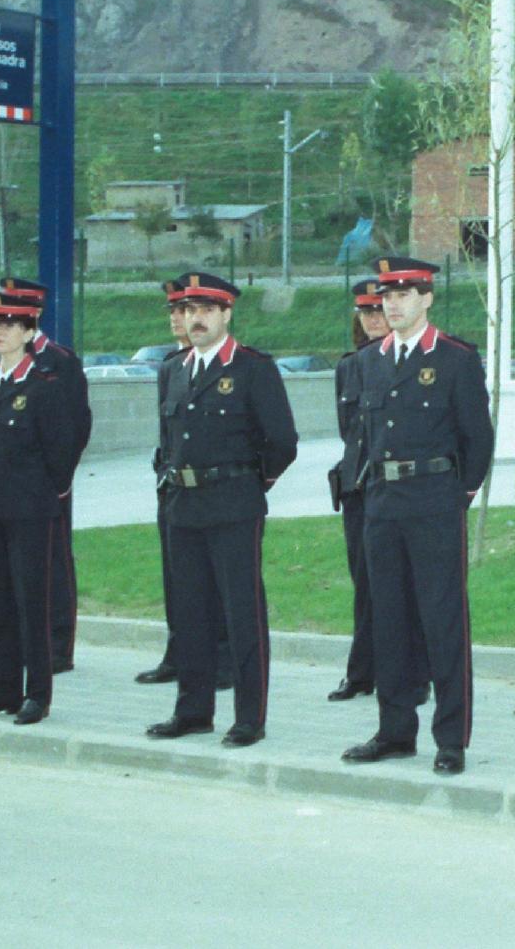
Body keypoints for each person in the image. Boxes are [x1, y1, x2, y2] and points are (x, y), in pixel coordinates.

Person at [342, 256, 494, 777]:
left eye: (405, 294)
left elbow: (479, 438)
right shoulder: (370, 361)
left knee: (442, 621)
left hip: (433, 499)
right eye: (388, 295)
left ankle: (450, 738)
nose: (393, 303)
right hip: (383, 502)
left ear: (427, 299)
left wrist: (459, 495)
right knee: (388, 620)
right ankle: (394, 730)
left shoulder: (454, 358)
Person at [146, 272, 297, 748]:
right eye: (189, 311)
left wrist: (251, 483)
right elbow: (168, 441)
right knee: (190, 613)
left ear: (226, 314)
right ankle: (192, 710)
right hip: (183, 504)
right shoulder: (172, 368)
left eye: (206, 310)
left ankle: (249, 717)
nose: (195, 319)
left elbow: (282, 442)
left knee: (241, 614)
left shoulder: (252, 368)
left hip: (233, 505)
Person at [0, 287, 87, 726]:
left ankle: (37, 694)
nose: (0, 333)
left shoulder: (45, 385)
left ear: (29, 330)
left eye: (10, 325)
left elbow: (63, 449)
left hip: (32, 507)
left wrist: (47, 492)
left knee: (31, 601)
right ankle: (1, 688)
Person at [326, 278, 424, 701]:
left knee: (410, 584)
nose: (373, 319)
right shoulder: (350, 367)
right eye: (365, 313)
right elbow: (349, 432)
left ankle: (415, 674)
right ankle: (362, 671)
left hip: (400, 488)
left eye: (378, 311)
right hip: (359, 488)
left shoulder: (410, 361)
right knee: (366, 584)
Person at [135, 280, 233, 690]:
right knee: (179, 579)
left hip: (219, 493)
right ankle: (181, 654)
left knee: (219, 580)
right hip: (175, 488)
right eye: (176, 310)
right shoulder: (172, 368)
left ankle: (223, 659)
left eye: (187, 309)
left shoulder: (223, 365)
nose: (180, 318)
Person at [0, 276, 93, 672]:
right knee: (7, 567)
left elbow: (76, 425)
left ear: (33, 315)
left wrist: (60, 479)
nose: (5, 321)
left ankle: (56, 646)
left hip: (47, 482)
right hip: (7, 484)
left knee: (52, 563)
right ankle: (10, 643)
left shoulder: (59, 360)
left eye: (15, 311)